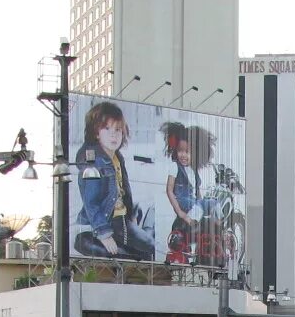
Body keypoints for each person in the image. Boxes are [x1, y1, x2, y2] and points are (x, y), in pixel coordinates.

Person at [75, 100, 153, 260]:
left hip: (123, 217)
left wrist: (130, 212)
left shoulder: (117, 157)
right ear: (96, 133)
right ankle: (95, 240)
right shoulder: (95, 162)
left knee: (147, 246)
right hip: (112, 222)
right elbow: (91, 202)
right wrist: (104, 233)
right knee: (150, 247)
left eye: (118, 130)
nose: (114, 134)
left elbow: (123, 189)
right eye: (107, 128)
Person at [161, 123, 205, 266]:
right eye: (180, 151)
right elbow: (169, 190)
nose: (183, 155)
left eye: (187, 152)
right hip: (184, 212)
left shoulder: (194, 171)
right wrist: (180, 213)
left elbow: (198, 193)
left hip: (194, 212)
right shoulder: (175, 167)